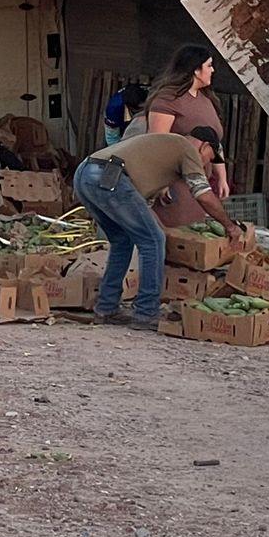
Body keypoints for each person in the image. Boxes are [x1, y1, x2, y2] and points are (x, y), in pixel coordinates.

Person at [72, 126, 238, 330]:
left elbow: (140, 205)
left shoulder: (166, 147)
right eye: (209, 158)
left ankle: (106, 308)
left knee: (122, 241)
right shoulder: (187, 148)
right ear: (204, 146)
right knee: (152, 241)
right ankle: (146, 312)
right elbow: (203, 194)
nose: (206, 165)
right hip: (109, 177)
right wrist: (229, 226)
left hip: (85, 174)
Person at [145, 44, 229, 227]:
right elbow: (156, 143)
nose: (213, 70)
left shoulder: (206, 99)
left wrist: (222, 177)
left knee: (194, 233)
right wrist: (161, 182)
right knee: (175, 235)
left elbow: (215, 143)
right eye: (209, 65)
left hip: (198, 182)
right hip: (174, 182)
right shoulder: (168, 100)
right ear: (196, 70)